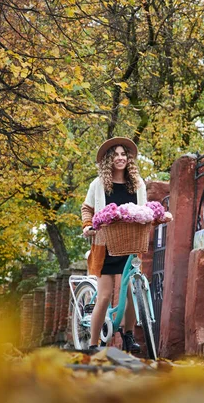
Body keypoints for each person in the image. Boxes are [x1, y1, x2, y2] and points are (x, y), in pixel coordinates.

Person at [81, 137, 147, 352]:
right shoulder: (98, 184)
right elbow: (87, 209)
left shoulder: (138, 184)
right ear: (109, 159)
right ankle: (93, 343)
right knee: (105, 294)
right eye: (116, 155)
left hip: (129, 243)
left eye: (123, 154)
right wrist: (87, 225)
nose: (120, 158)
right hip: (105, 244)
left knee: (131, 291)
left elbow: (144, 211)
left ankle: (128, 335)